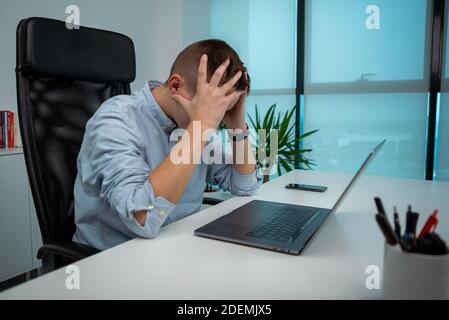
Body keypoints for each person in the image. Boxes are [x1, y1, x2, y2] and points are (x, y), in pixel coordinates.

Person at [73, 39, 261, 250]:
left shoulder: (194, 124)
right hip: (114, 258)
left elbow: (245, 186)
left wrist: (236, 124)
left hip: (178, 247)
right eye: (212, 109)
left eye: (220, 111)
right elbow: (143, 218)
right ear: (175, 86)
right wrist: (199, 127)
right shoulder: (116, 120)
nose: (215, 120)